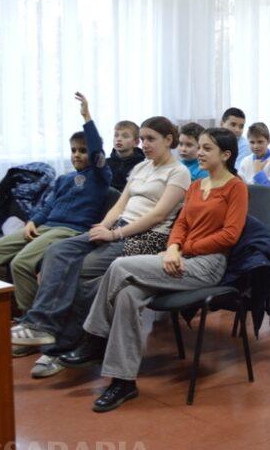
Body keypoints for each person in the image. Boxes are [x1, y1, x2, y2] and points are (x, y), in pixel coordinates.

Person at [63, 128, 247, 411]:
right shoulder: (197, 186)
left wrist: (186, 249)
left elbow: (230, 236)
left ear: (225, 155)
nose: (199, 153)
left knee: (119, 265)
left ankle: (94, 337)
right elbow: (181, 225)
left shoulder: (236, 187)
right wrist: (173, 248)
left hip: (208, 265)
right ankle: (123, 383)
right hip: (180, 257)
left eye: (206, 148)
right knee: (127, 296)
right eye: (199, 147)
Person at [10, 116, 190, 378]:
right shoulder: (141, 167)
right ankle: (42, 325)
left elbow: (157, 216)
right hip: (117, 227)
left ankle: (61, 346)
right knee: (58, 252)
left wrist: (115, 234)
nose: (145, 144)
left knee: (82, 270)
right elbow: (119, 204)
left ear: (169, 140)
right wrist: (102, 228)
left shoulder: (179, 172)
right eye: (143, 139)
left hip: (147, 237)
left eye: (151, 139)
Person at [0, 93, 111, 315]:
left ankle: (33, 320)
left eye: (82, 151)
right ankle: (16, 303)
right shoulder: (63, 179)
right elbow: (48, 206)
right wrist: (32, 221)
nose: (77, 155)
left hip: (70, 230)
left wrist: (86, 116)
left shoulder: (101, 176)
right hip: (46, 226)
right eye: (73, 150)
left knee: (21, 263)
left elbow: (97, 149)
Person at [239, 122, 270, 187]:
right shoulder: (245, 161)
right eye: (252, 142)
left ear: (268, 141)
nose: (255, 146)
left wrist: (258, 172)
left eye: (260, 142)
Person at [107, 119, 144, 191]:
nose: (119, 139)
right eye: (116, 135)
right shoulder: (105, 164)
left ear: (136, 142)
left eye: (125, 136)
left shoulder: (143, 164)